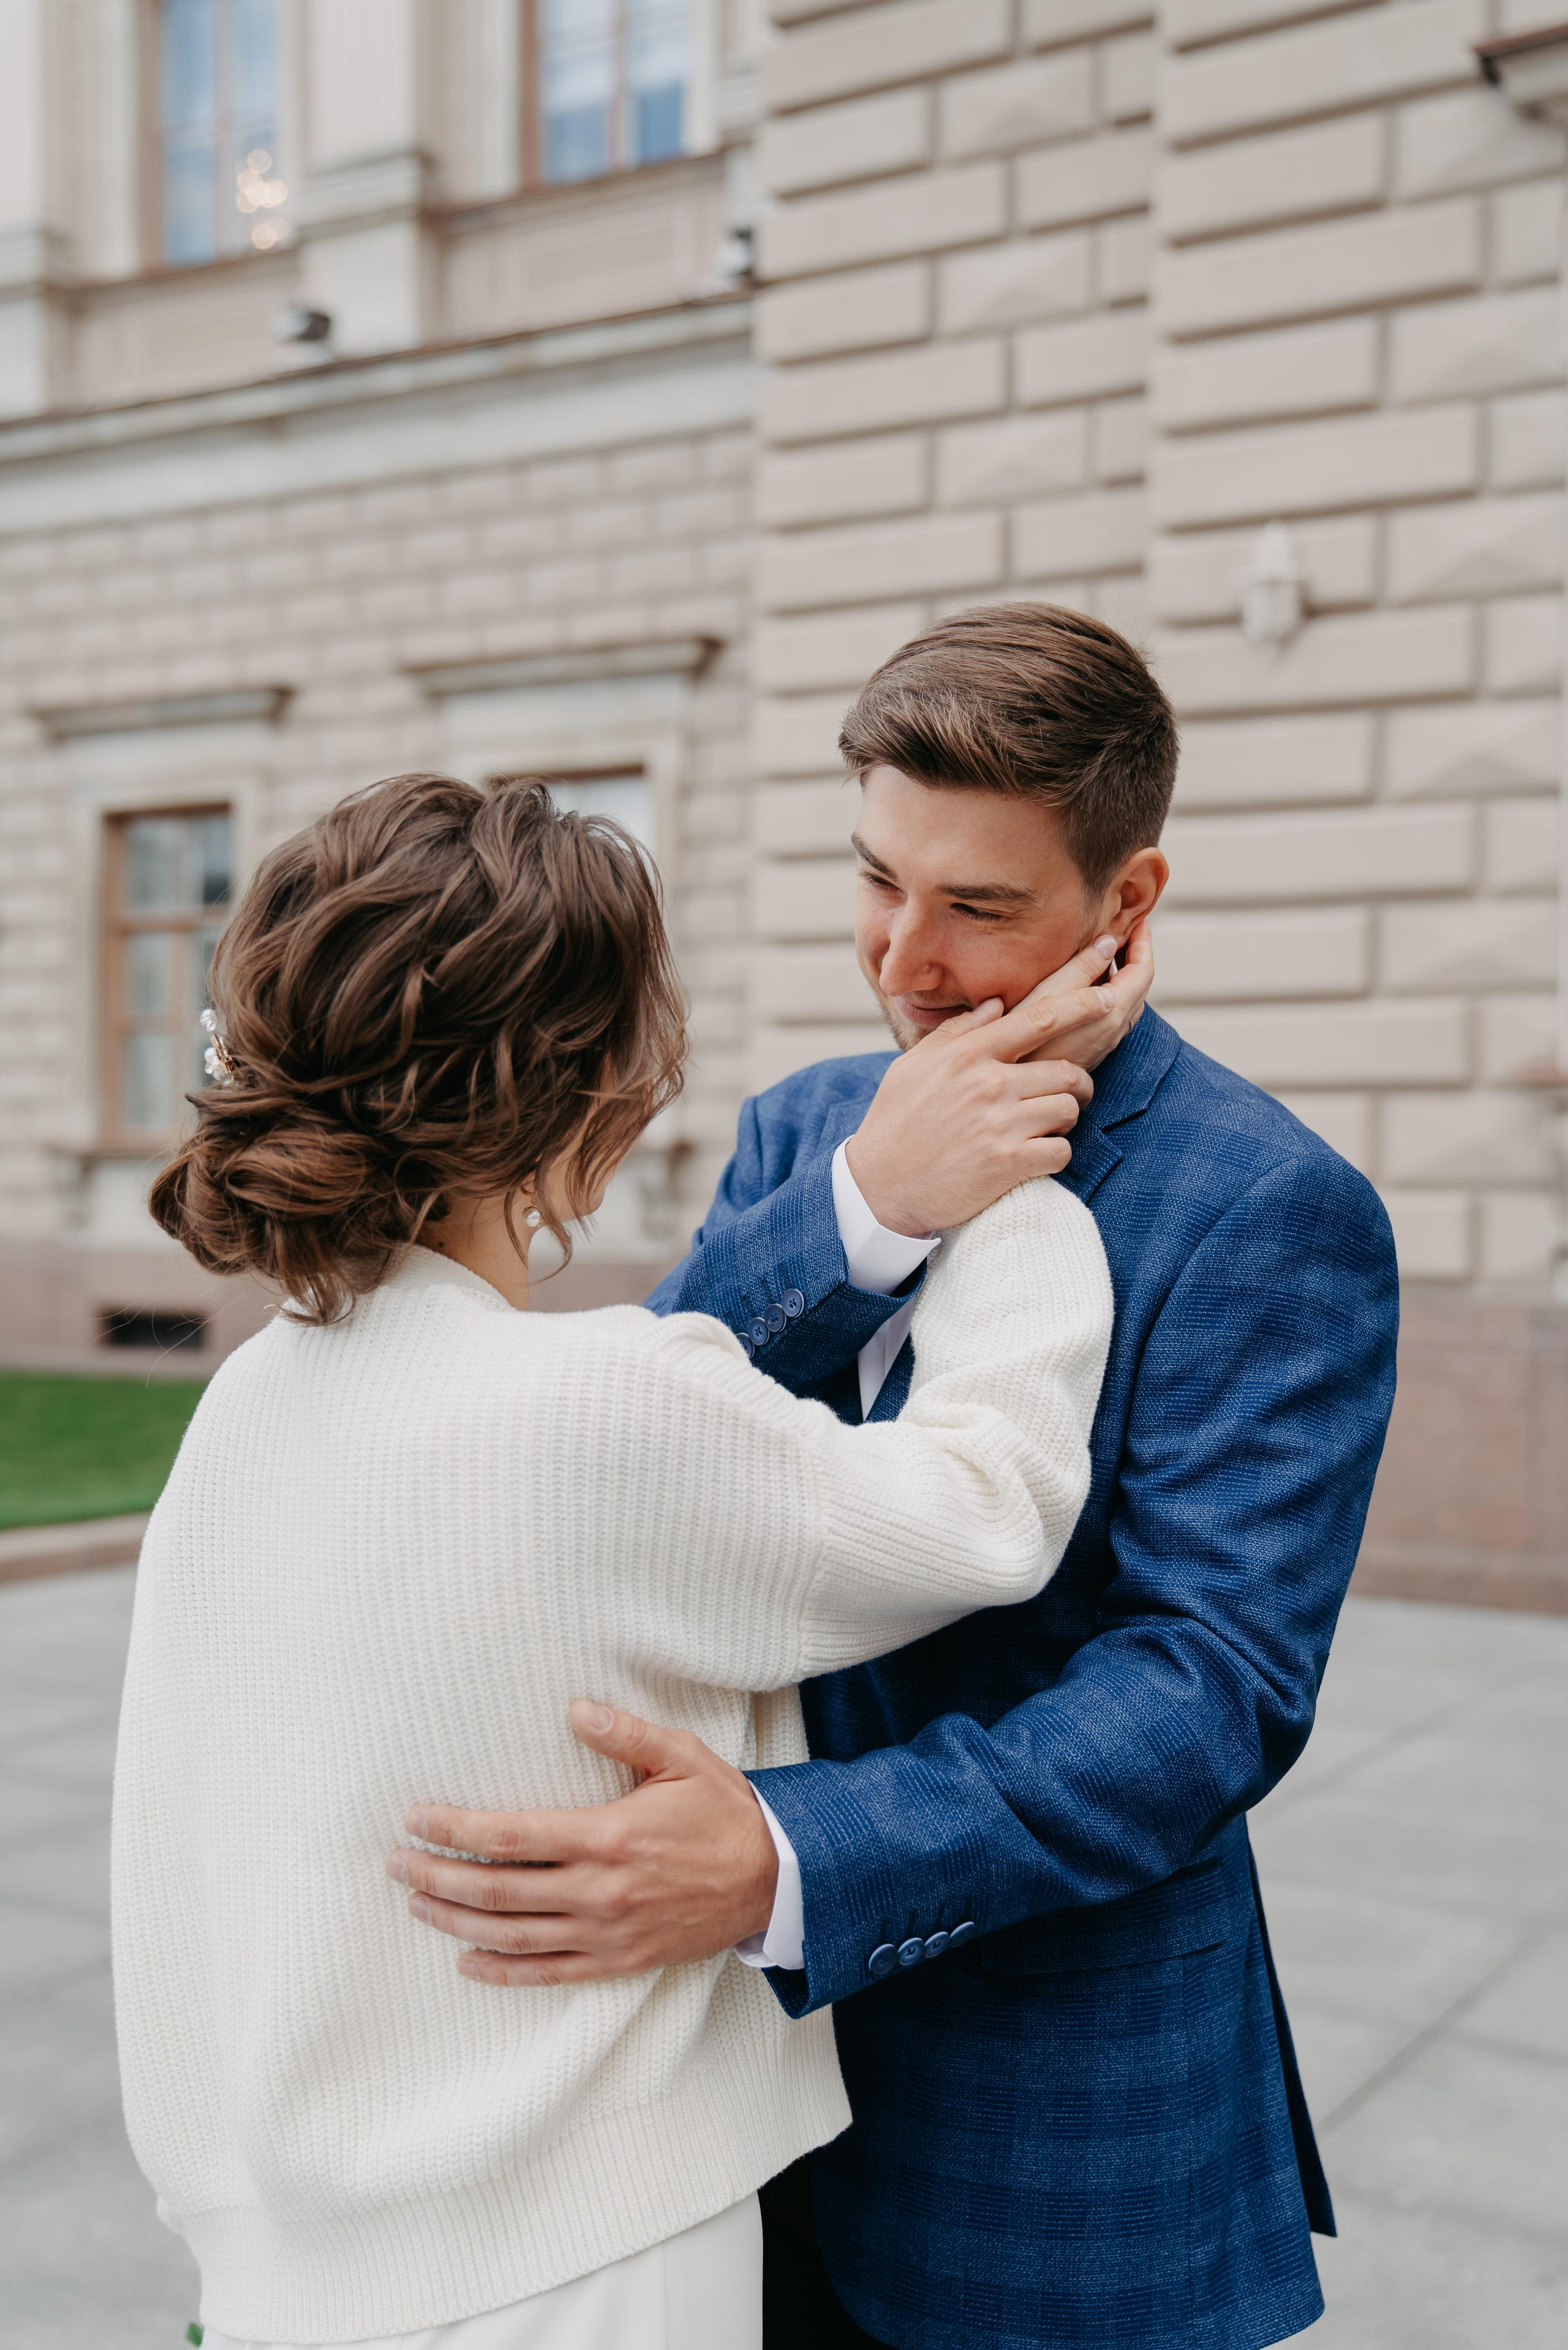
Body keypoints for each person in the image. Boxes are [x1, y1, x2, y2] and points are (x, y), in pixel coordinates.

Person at [394, 606, 1403, 2350]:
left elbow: (1212, 1689)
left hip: (1053, 2127)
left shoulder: (1271, 1206)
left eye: (981, 909)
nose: (906, 962)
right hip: (716, 2104)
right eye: (880, 883)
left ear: (1129, 905)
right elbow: (636, 1449)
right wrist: (868, 1208)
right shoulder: (805, 1132)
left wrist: (789, 1856)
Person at [111, 769, 1134, 2350]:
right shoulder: (597, 1413)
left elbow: (174, 1864)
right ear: (584, 1089)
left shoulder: (246, 1405)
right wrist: (990, 1188)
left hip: (285, 2280)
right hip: (586, 2268)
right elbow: (986, 1503)